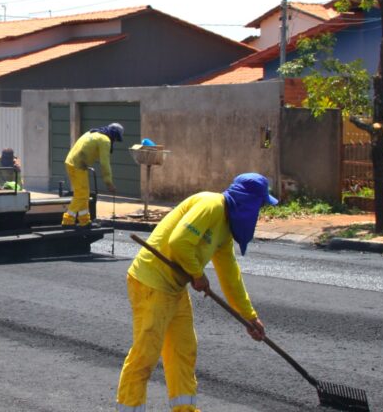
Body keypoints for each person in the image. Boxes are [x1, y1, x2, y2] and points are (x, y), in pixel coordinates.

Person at [115, 173, 277, 412]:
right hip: (152, 282)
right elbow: (179, 241)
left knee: (183, 350)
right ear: (248, 202)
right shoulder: (211, 205)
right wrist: (197, 274)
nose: (260, 212)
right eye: (260, 205)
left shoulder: (225, 226)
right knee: (145, 354)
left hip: (174, 287)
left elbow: (230, 274)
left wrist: (249, 317)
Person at [62, 123, 123, 227]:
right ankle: (68, 221)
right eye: (116, 138)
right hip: (78, 165)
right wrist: (108, 182)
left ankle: (84, 220)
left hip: (71, 162)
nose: (115, 141)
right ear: (114, 135)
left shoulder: (92, 132)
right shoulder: (105, 140)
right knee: (81, 195)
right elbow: (104, 163)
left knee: (83, 194)